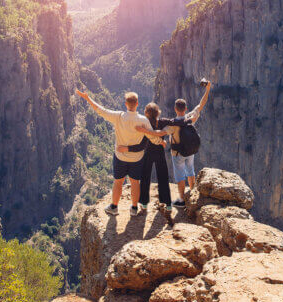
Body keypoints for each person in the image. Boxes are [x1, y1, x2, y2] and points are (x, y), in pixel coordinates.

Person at [75, 89, 168, 217]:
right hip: (137, 158)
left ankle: (114, 207)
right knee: (135, 182)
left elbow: (100, 110)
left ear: (126, 104)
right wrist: (161, 142)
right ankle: (134, 208)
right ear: (137, 104)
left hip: (120, 157)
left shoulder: (118, 116)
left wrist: (87, 98)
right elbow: (152, 137)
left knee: (118, 181)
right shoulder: (143, 120)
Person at [117, 103, 187, 225]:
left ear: (147, 113)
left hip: (147, 154)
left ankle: (143, 204)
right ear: (158, 112)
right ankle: (168, 205)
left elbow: (140, 145)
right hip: (159, 154)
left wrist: (127, 148)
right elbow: (176, 122)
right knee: (163, 178)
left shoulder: (144, 125)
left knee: (145, 179)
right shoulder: (163, 121)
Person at [169, 81, 212, 208]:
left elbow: (159, 131)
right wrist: (208, 90)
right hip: (190, 150)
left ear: (175, 109)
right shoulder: (190, 118)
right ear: (186, 109)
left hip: (177, 154)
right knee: (190, 170)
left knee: (179, 175)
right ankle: (192, 192)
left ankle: (182, 200)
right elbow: (201, 104)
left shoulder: (172, 124)